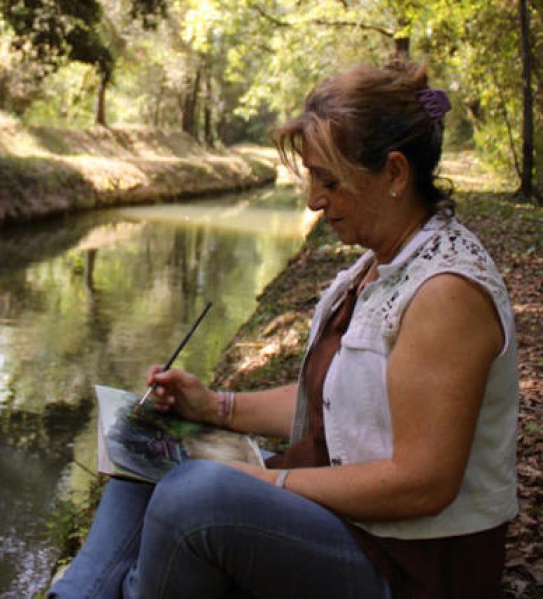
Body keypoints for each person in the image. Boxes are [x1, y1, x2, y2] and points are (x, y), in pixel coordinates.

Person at [48, 62, 519, 598]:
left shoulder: (446, 293)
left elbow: (424, 484)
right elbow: (341, 399)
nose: (314, 200)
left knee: (192, 498)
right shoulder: (379, 265)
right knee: (146, 442)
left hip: (406, 563)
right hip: (349, 523)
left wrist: (269, 482)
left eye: (329, 181)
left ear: (393, 173)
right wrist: (212, 407)